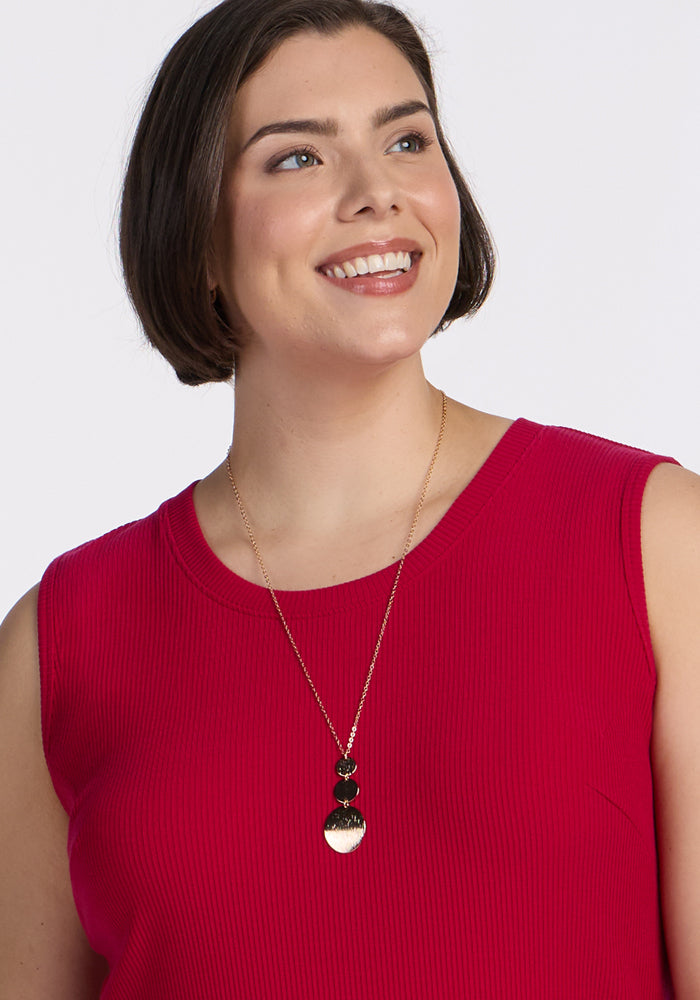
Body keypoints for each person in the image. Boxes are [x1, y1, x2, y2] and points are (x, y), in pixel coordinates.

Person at [1, 0, 698, 996]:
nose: (380, 193)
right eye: (298, 158)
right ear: (195, 235)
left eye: (407, 139)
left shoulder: (656, 546)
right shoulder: (62, 643)